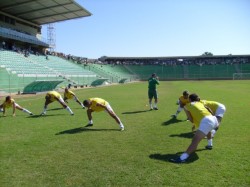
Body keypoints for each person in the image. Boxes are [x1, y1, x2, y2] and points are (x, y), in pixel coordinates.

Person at [170, 93, 219, 163]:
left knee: (195, 141)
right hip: (214, 119)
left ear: (189, 99)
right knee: (208, 130)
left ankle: (182, 158)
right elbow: (208, 109)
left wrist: (194, 123)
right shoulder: (200, 103)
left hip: (207, 121)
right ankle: (209, 144)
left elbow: (191, 119)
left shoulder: (187, 106)